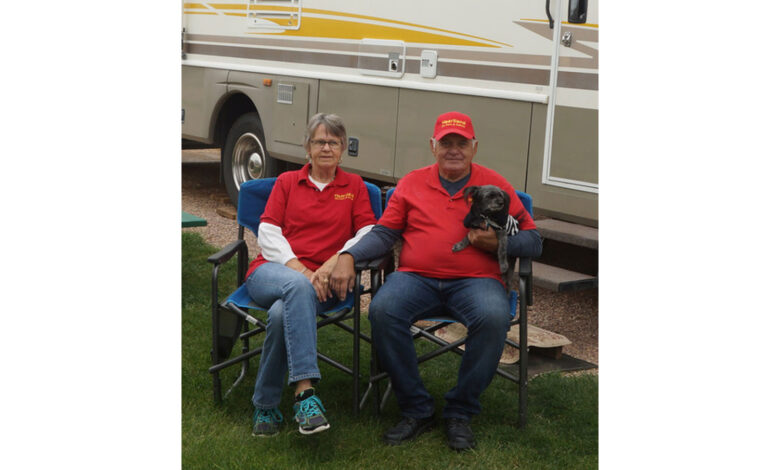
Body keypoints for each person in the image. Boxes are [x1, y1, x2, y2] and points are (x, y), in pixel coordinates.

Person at [330, 111, 542, 450]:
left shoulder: (496, 185)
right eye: (446, 143)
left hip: (477, 281)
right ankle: (417, 408)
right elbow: (385, 233)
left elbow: (534, 240)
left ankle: (460, 411)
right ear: (433, 146)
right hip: (416, 278)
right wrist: (349, 255)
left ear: (475, 148)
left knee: (493, 316)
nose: (453, 150)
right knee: (383, 310)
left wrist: (499, 243)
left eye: (461, 143)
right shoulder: (412, 183)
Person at [246, 113, 376, 437]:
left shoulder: (354, 186)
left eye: (333, 142)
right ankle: (305, 393)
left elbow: (369, 232)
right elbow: (268, 232)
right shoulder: (287, 182)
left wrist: (335, 261)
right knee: (296, 287)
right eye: (320, 141)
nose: (326, 148)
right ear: (307, 147)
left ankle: (265, 407)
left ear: (343, 148)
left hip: (327, 283)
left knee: (280, 314)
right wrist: (302, 270)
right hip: (272, 272)